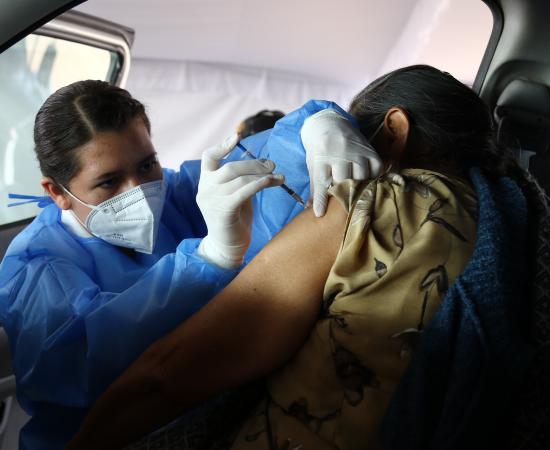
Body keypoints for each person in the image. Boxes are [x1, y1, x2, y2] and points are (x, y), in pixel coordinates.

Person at [66, 65, 536, 450]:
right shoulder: (519, 219)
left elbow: (169, 372)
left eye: (358, 132)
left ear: (393, 129)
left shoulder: (373, 204)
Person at [0, 81, 383, 450]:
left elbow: (263, 157)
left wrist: (316, 124)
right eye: (109, 182)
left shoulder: (177, 191)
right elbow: (82, 364)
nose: (139, 191)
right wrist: (210, 259)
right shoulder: (35, 265)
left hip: (203, 398)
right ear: (57, 192)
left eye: (147, 164)